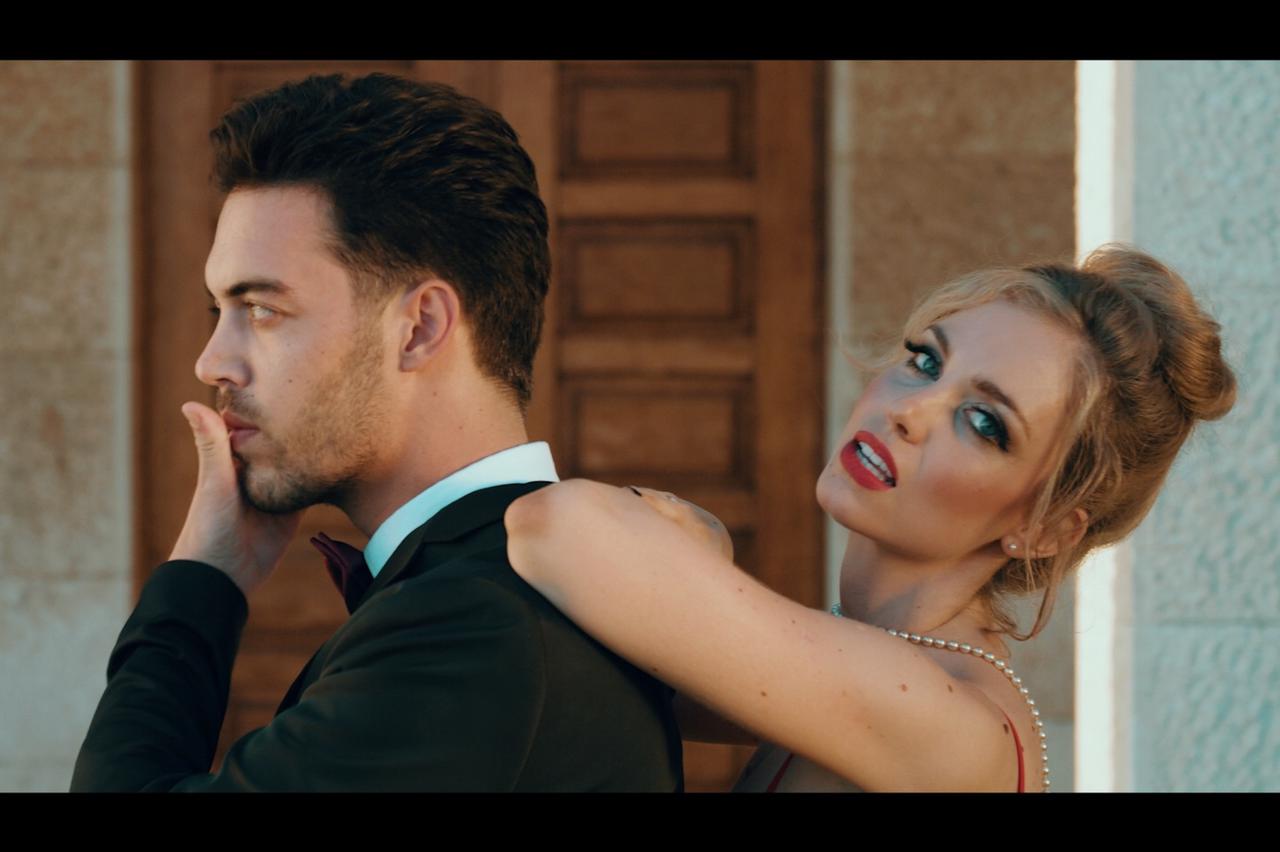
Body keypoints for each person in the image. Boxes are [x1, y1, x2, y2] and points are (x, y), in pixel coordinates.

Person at [70, 73, 682, 792]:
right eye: (219, 312)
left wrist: (202, 578)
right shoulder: (513, 590)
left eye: (262, 309)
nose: (212, 363)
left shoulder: (473, 626)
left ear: (418, 328)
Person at [504, 246, 1237, 792]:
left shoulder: (953, 725)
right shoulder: (876, 660)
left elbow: (556, 528)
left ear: (1046, 529)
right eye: (926, 361)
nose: (909, 410)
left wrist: (705, 540)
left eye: (984, 422)